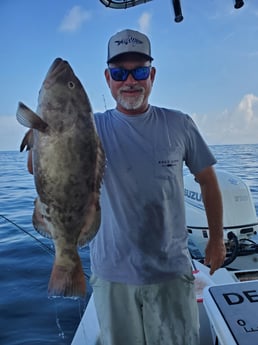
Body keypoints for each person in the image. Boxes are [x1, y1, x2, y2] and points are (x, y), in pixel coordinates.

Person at [28, 29, 226, 345]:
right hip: (111, 276)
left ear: (152, 75)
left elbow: (208, 183)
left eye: (140, 71)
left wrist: (216, 239)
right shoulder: (91, 126)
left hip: (171, 273)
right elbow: (42, 167)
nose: (130, 81)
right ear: (108, 78)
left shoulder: (180, 124)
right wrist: (44, 134)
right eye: (120, 72)